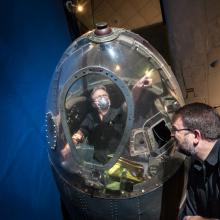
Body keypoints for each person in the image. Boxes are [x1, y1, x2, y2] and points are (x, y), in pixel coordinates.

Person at [171, 102, 220, 220]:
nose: (171, 135)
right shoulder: (195, 165)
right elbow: (189, 214)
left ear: (196, 136)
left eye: (175, 130)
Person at [61, 85, 126, 164]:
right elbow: (80, 133)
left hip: (120, 160)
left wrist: (137, 88)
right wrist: (67, 148)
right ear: (94, 104)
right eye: (99, 97)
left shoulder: (118, 112)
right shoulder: (91, 117)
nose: (103, 98)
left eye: (105, 95)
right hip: (99, 162)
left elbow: (127, 106)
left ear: (109, 99)